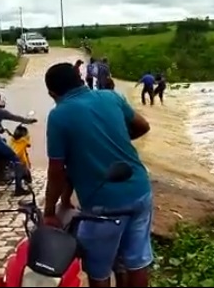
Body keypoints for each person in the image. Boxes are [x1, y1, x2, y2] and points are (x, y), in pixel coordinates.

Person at [42, 62, 153, 288]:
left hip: (103, 206)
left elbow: (57, 171)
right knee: (137, 261)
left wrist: (49, 212)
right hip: (141, 192)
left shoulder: (58, 116)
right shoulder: (111, 97)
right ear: (81, 81)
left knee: (98, 269)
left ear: (52, 94)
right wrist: (115, 139)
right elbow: (143, 126)